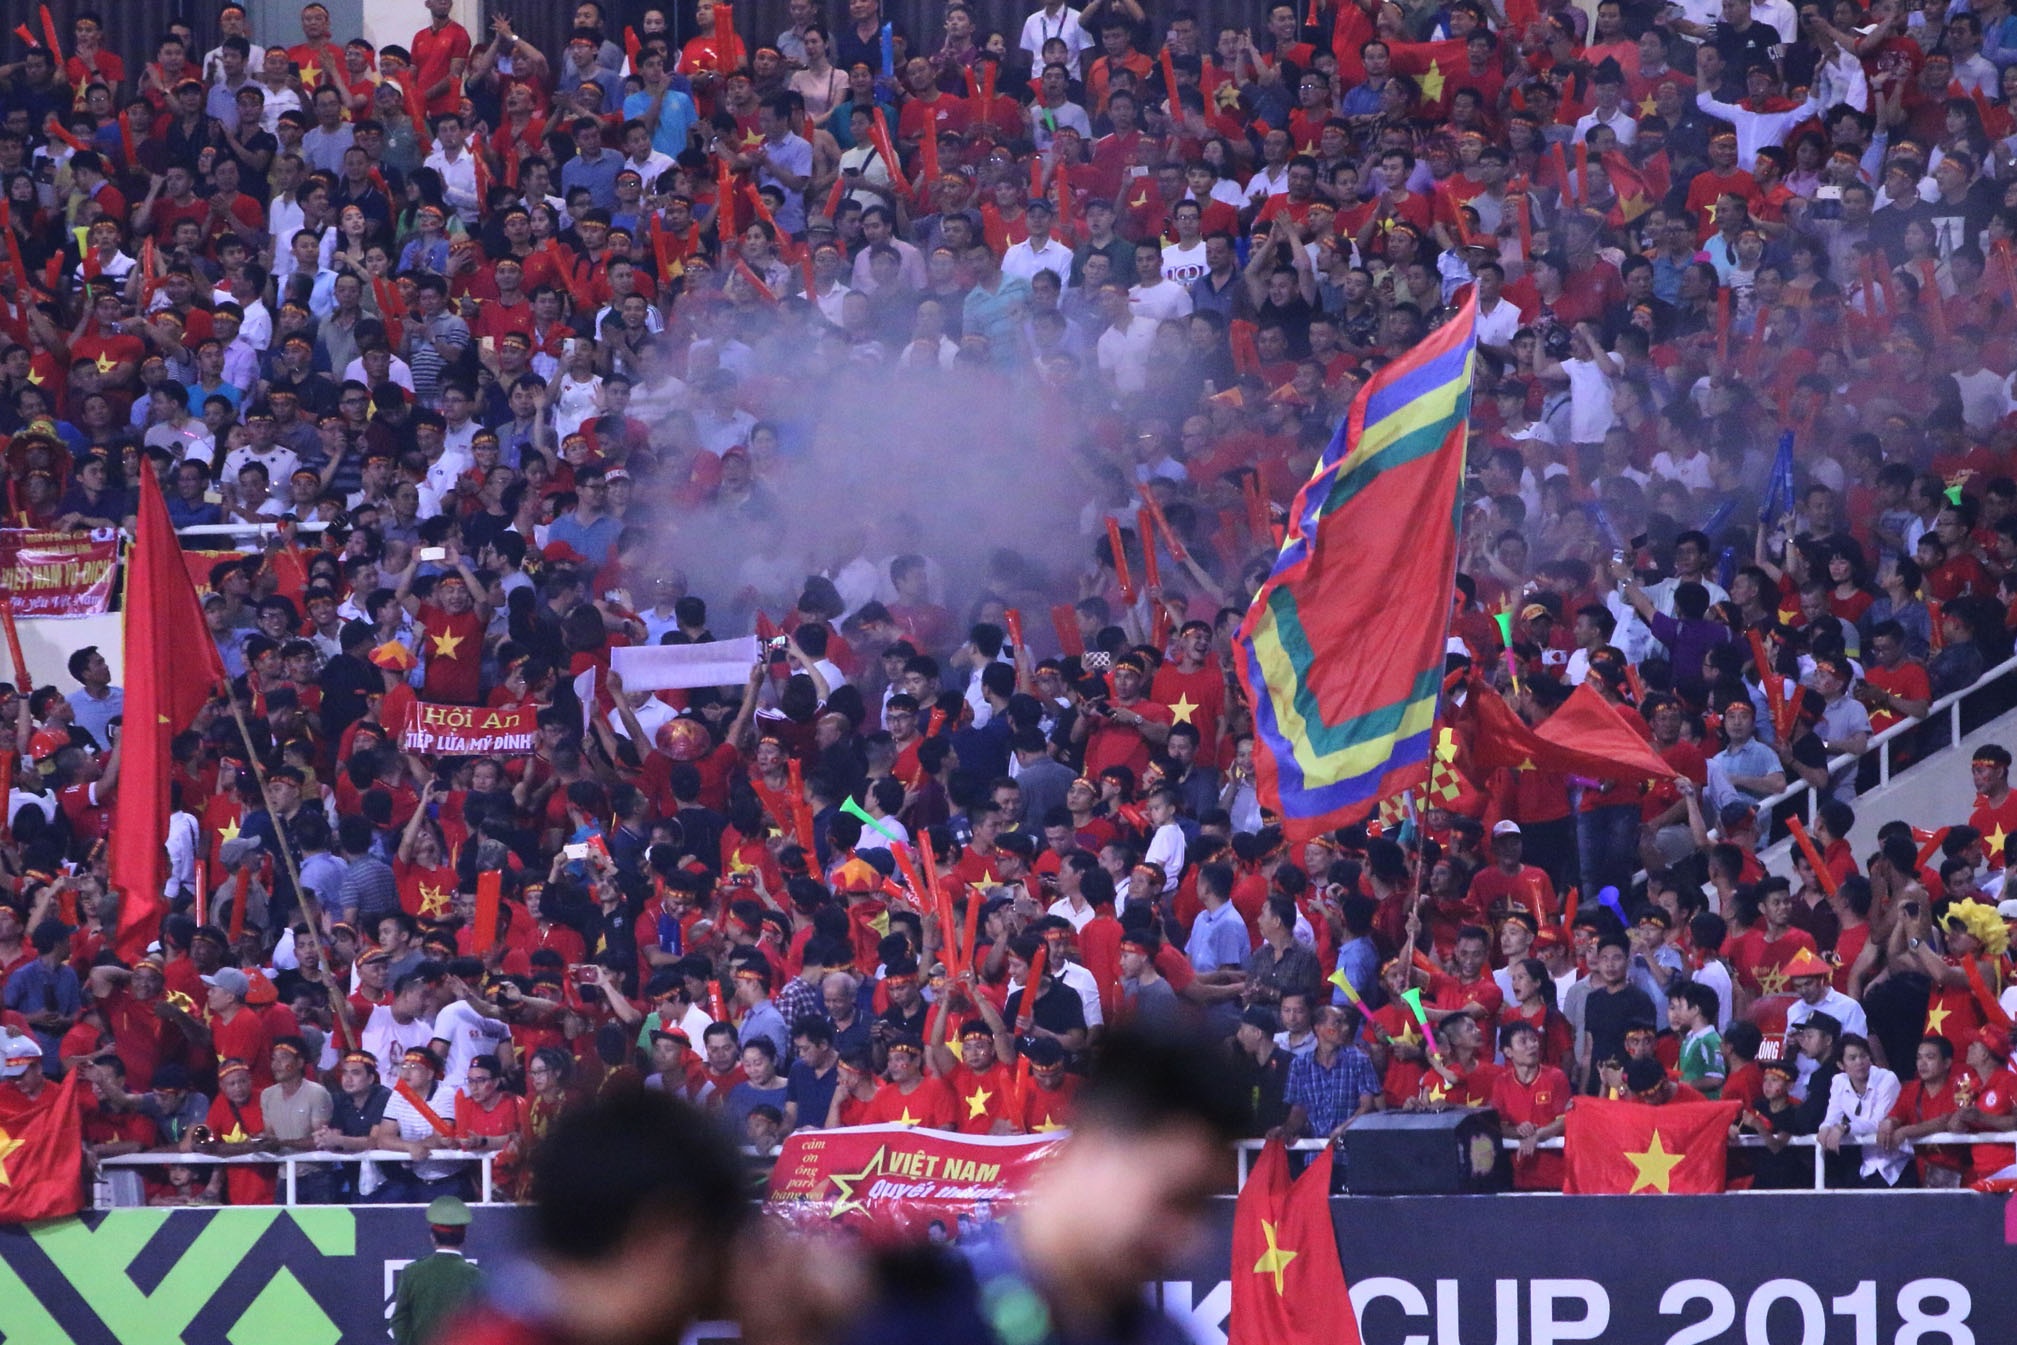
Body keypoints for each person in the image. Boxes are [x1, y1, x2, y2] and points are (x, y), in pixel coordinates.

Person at [390, 1195, 486, 1345]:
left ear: (433, 1237)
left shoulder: (412, 1272)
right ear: (463, 1237)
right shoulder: (477, 1277)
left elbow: (399, 1320)